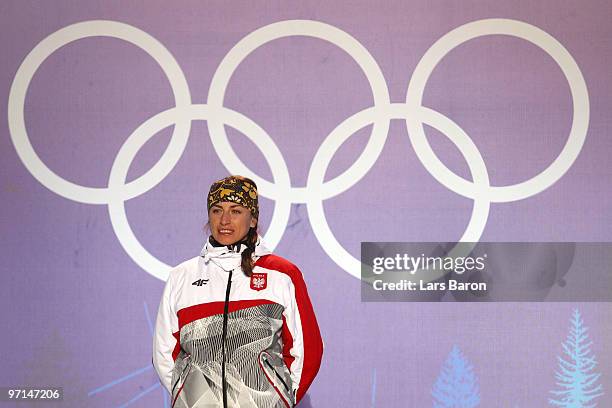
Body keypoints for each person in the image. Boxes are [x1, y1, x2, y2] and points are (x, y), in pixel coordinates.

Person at [153, 175, 323, 408]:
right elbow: (164, 351)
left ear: (252, 219)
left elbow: (307, 350)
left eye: (235, 211)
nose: (224, 220)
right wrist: (190, 398)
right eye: (216, 210)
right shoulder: (181, 276)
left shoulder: (282, 274)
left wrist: (280, 400)